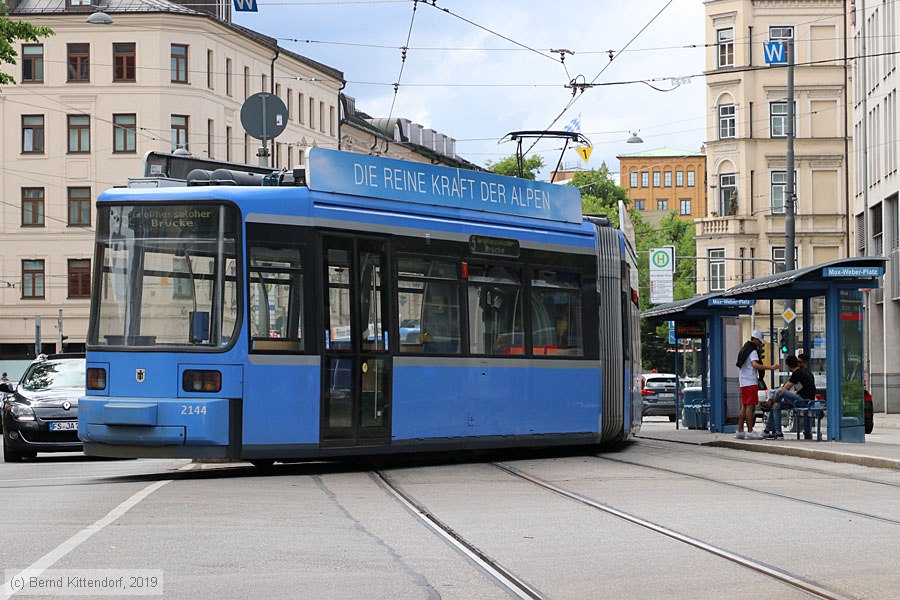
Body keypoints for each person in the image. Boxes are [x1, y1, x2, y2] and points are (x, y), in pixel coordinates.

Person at [735, 330, 779, 439]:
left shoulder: (745, 348)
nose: (760, 344)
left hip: (743, 381)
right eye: (760, 341)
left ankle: (740, 431)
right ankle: (750, 432)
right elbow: (754, 364)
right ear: (756, 339)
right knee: (750, 406)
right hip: (750, 381)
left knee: (744, 406)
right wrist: (771, 367)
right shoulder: (753, 350)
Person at [765, 355, 818, 439]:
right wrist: (787, 399)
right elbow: (798, 389)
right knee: (776, 407)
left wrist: (772, 399)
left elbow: (784, 389)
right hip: (803, 401)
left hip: (803, 401)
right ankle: (773, 432)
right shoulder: (802, 373)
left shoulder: (797, 374)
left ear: (788, 365)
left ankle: (774, 431)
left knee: (779, 392)